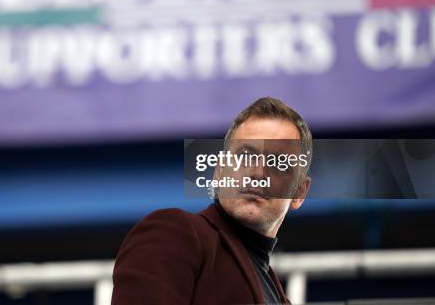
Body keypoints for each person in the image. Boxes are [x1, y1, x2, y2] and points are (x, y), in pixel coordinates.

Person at [112, 96, 312, 304]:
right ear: (219, 173)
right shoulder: (174, 233)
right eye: (245, 156)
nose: (258, 172)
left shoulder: (278, 297)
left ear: (299, 193)